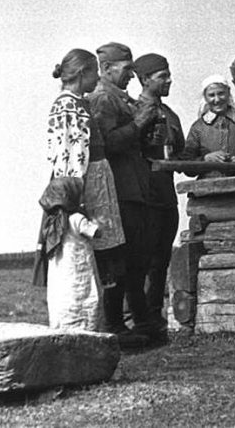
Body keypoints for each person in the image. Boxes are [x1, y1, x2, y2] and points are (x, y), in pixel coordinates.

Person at [36, 48, 128, 337]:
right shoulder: (67, 106)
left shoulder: (79, 103)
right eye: (94, 73)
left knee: (102, 249)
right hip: (84, 185)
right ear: (82, 73)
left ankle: (106, 322)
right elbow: (69, 152)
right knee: (87, 248)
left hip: (96, 179)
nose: (98, 78)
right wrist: (75, 198)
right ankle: (89, 324)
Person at [89, 42, 161, 345]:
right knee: (121, 261)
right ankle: (116, 326)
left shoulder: (118, 98)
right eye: (127, 68)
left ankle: (137, 323)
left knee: (136, 260)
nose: (132, 75)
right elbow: (108, 144)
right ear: (107, 68)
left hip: (134, 189)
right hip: (120, 191)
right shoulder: (103, 98)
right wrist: (140, 122)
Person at [133, 53, 185, 341]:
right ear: (145, 80)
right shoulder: (132, 111)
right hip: (144, 197)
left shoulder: (171, 115)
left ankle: (155, 317)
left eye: (169, 75)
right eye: (162, 76)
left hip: (166, 197)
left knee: (161, 260)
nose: (169, 80)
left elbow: (181, 153)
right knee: (142, 260)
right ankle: (137, 321)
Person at [39, 176, 101, 331]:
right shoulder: (77, 219)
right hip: (79, 266)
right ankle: (85, 326)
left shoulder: (52, 223)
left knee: (64, 294)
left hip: (61, 271)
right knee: (84, 292)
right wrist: (95, 220)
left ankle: (63, 325)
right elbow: (96, 233)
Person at [181, 74, 235, 179]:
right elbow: (187, 167)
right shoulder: (198, 128)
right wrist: (206, 159)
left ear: (228, 92)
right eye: (211, 95)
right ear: (205, 97)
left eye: (221, 93)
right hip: (208, 187)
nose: (217, 99)